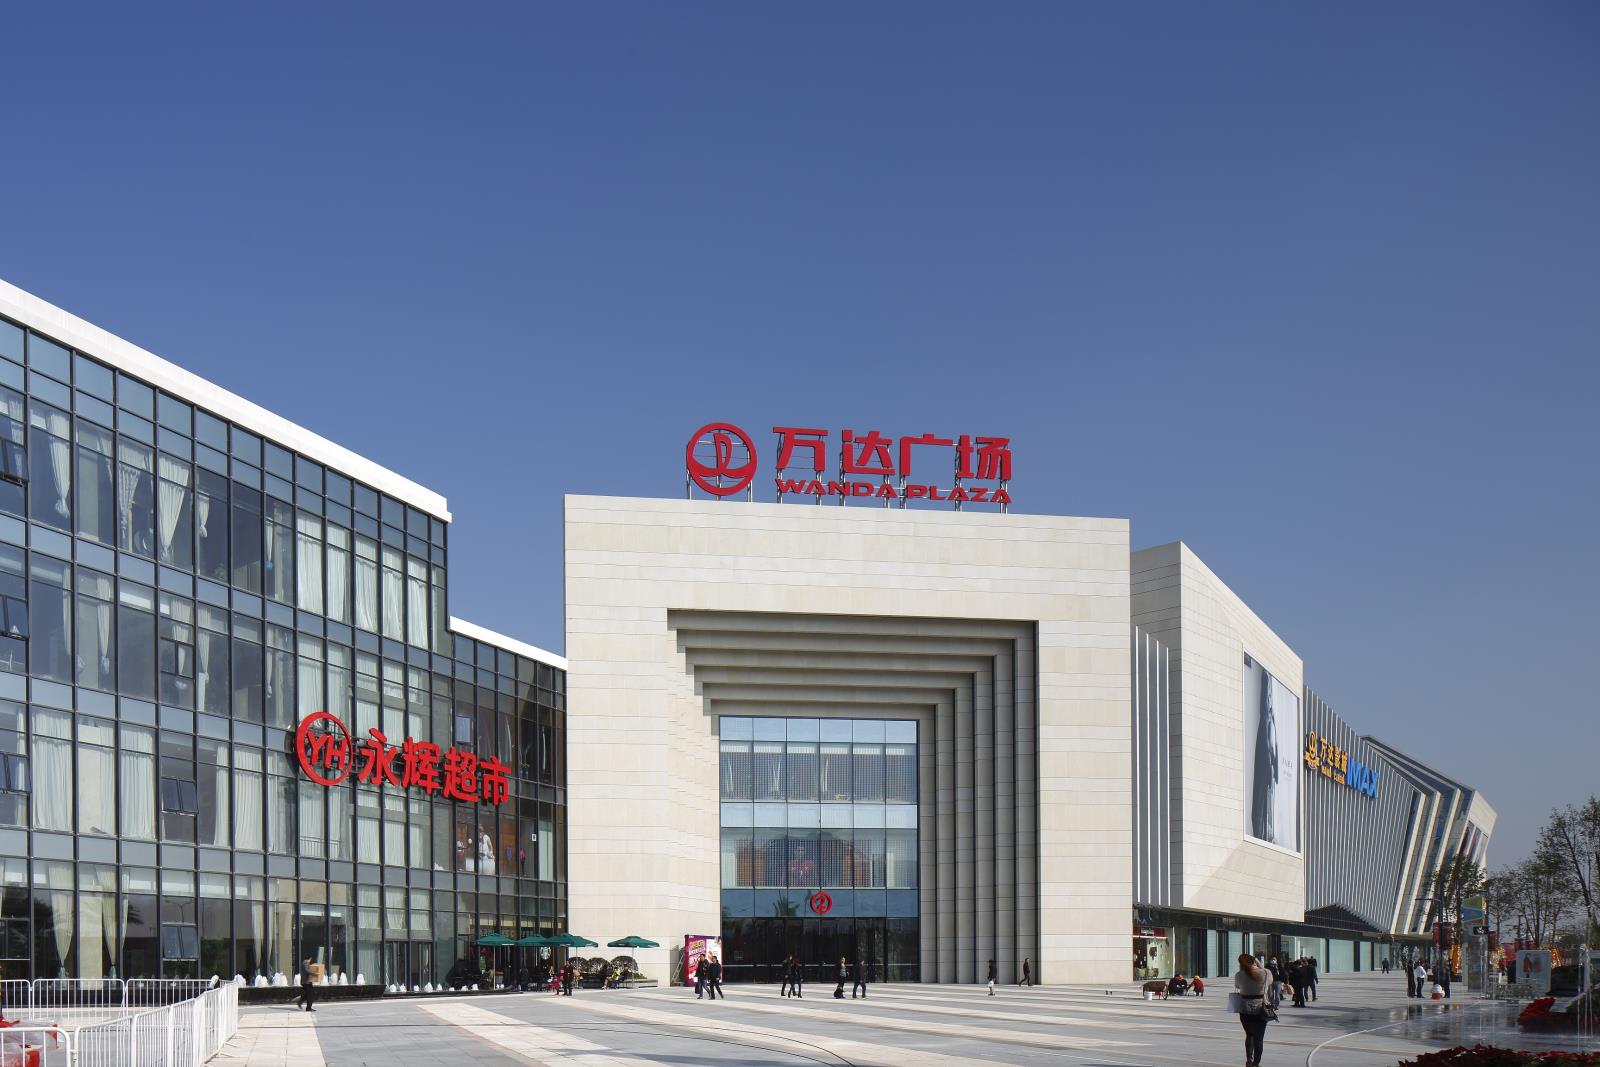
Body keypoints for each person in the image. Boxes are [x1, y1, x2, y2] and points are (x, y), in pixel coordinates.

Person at [1234, 952, 1272, 1067]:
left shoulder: (1239, 974)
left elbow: (1238, 986)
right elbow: (1270, 980)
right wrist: (1259, 964)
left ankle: (1249, 1061)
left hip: (1244, 1009)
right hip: (1260, 1008)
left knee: (1249, 1034)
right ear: (1254, 961)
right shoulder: (1265, 973)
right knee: (1259, 1038)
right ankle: (1256, 1063)